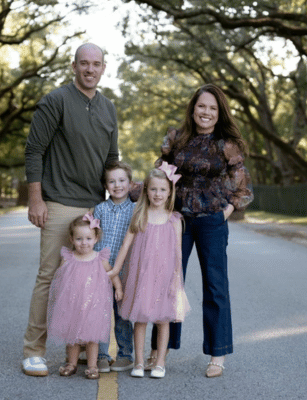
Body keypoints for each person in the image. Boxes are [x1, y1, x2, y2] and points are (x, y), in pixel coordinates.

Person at [22, 43, 119, 377]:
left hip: (94, 206)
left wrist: (122, 192)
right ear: (74, 66)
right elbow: (34, 150)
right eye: (83, 64)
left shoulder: (108, 108)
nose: (89, 69)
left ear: (103, 68)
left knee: (91, 284)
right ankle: (33, 350)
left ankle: (82, 348)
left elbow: (110, 159)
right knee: (50, 278)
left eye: (96, 64)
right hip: (59, 202)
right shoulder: (56, 101)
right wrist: (36, 199)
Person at [148, 83, 254, 378]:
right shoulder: (176, 140)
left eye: (212, 108)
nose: (205, 112)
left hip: (211, 222)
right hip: (176, 221)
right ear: (192, 109)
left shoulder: (226, 145)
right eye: (201, 106)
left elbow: (243, 187)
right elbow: (160, 176)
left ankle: (217, 355)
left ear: (219, 114)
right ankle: (161, 351)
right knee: (168, 285)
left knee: (215, 288)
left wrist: (226, 213)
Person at [110, 164, 190, 379]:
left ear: (170, 192)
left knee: (163, 320)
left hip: (164, 277)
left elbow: (178, 253)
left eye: (163, 190)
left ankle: (160, 363)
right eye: (154, 189)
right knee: (141, 319)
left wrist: (176, 279)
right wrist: (115, 270)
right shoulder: (140, 215)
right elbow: (125, 246)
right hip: (141, 276)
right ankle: (138, 362)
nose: (158, 194)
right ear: (146, 191)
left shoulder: (174, 220)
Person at [47, 214, 123, 379]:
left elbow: (112, 273)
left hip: (93, 305)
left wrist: (118, 287)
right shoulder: (68, 257)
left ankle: (92, 366)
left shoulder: (99, 258)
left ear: (96, 239)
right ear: (72, 239)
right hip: (72, 304)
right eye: (79, 238)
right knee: (72, 336)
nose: (84, 242)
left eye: (88, 238)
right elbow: (59, 278)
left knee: (92, 337)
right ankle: (71, 363)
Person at [93, 161, 136, 373]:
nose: (117, 185)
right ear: (106, 185)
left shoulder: (137, 210)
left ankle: (125, 354)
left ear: (130, 184)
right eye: (112, 181)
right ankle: (101, 355)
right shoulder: (99, 209)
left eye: (121, 180)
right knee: (100, 311)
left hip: (125, 269)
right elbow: (94, 239)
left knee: (122, 313)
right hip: (100, 269)